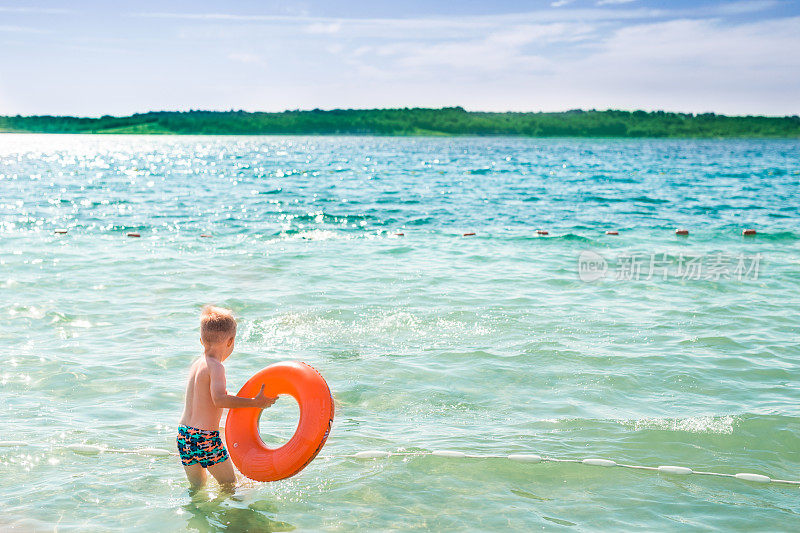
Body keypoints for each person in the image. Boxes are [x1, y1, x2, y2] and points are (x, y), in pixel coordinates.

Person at [177, 305, 276, 489]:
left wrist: (238, 398)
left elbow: (208, 398)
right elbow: (219, 399)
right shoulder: (216, 367)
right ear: (230, 342)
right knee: (229, 485)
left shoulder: (197, 365)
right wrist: (255, 403)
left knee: (198, 489)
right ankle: (232, 517)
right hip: (205, 438)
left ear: (201, 340)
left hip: (184, 435)